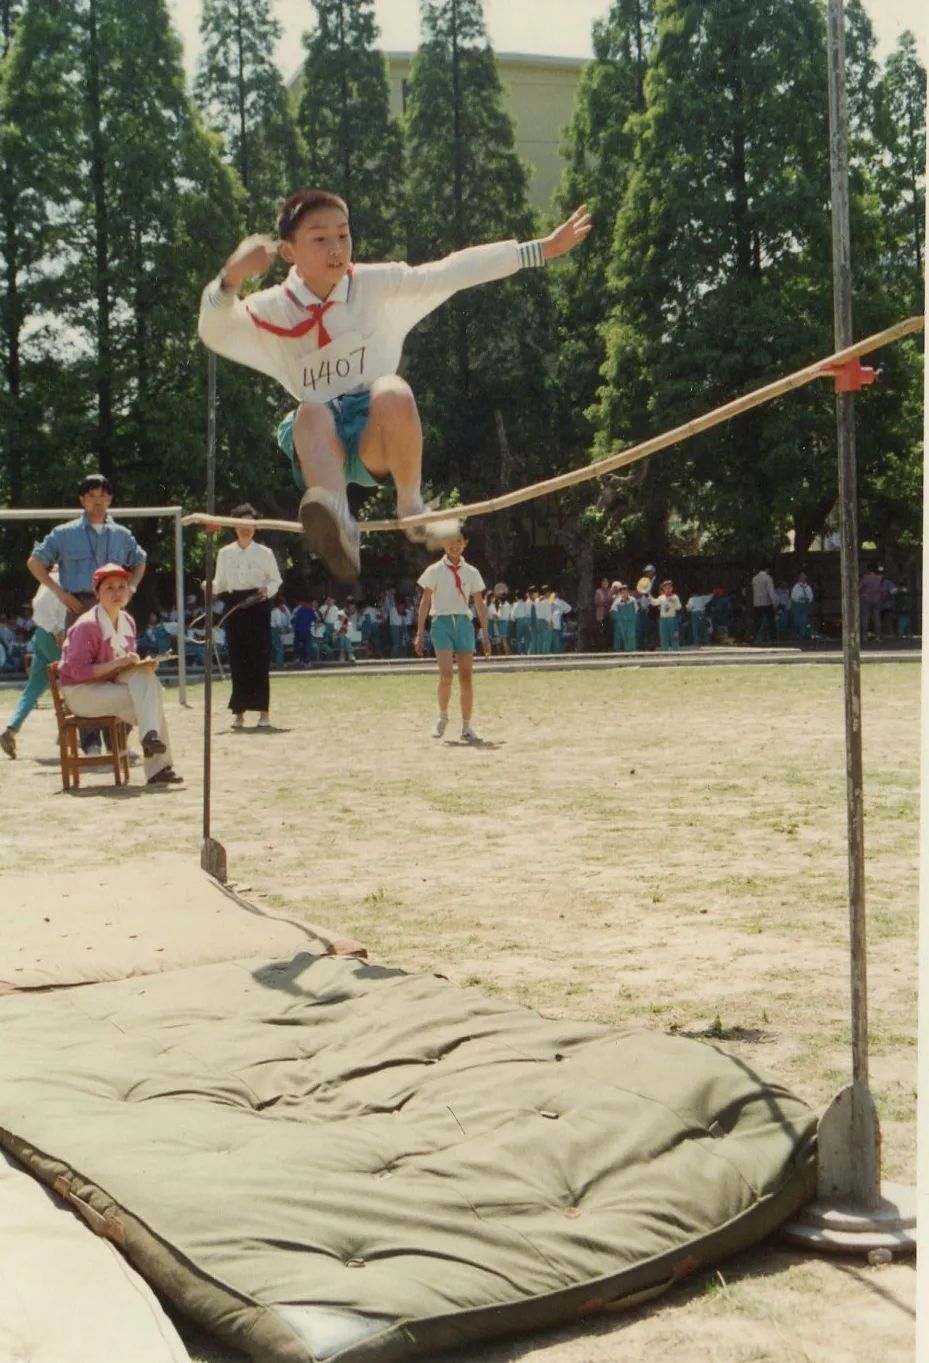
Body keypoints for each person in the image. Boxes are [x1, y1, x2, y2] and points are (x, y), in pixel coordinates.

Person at [198, 189, 591, 581]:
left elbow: (448, 271)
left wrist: (538, 250)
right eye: (319, 239)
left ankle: (412, 508)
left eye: (343, 234)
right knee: (312, 410)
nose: (336, 248)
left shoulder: (377, 285)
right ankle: (338, 526)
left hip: (377, 436)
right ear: (288, 252)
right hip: (320, 447)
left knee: (393, 390)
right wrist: (231, 275)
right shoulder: (272, 309)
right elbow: (215, 330)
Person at [27, 473, 147, 756]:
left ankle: (118, 742)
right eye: (92, 496)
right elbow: (35, 562)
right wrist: (59, 593)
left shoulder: (122, 534)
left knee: (121, 670)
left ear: (110, 499)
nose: (98, 501)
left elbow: (140, 560)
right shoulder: (64, 533)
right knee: (83, 675)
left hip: (115, 609)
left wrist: (130, 589)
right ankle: (90, 743)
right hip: (79, 608)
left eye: (103, 495)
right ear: (82, 500)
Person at [57, 563, 181, 786]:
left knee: (147, 680)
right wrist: (119, 663)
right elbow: (78, 672)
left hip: (109, 684)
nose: (117, 593)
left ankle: (150, 739)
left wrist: (140, 665)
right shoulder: (87, 625)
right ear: (97, 593)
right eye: (109, 588)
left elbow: (120, 668)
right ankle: (158, 767)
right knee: (150, 701)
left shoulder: (127, 621)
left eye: (122, 587)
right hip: (81, 693)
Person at [414, 530, 490, 743]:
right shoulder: (434, 570)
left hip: (464, 623)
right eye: (450, 542)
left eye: (459, 542)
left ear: (465, 543)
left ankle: (467, 726)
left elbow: (479, 603)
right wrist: (420, 633)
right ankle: (443, 716)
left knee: (466, 677)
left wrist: (485, 632)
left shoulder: (472, 572)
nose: (454, 546)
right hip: (442, 622)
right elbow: (425, 602)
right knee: (446, 675)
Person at [210, 504, 283, 729]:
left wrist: (266, 591)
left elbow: (276, 580)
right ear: (234, 526)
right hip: (235, 608)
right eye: (241, 524)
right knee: (238, 660)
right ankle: (239, 713)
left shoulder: (265, 553)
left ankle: (264, 713)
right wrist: (208, 586)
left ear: (255, 527)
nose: (246, 528)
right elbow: (220, 583)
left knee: (259, 659)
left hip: (258, 606)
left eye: (250, 524)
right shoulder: (224, 553)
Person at [0, 570, 67, 759]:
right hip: (56, 636)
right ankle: (66, 732)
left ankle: (11, 729)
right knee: (71, 681)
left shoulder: (49, 578)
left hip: (42, 634)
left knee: (34, 687)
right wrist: (57, 630)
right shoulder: (63, 577)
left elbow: (37, 605)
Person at [650, 579, 683, 651]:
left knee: (674, 636)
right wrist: (649, 597)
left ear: (672, 588)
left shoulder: (675, 597)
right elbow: (654, 603)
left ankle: (675, 650)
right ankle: (665, 651)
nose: (667, 589)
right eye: (666, 587)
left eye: (669, 587)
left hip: (672, 618)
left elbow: (679, 607)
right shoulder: (661, 597)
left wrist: (674, 601)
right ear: (663, 589)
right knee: (664, 636)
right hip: (663, 619)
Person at [751, 565, 778, 644]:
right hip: (766, 602)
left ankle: (757, 637)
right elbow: (771, 592)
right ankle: (772, 638)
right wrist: (775, 603)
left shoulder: (754, 578)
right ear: (767, 569)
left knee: (758, 621)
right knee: (770, 621)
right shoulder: (768, 578)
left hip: (757, 603)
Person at [610, 583, 638, 652]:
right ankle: (627, 649)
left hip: (631, 620)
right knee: (624, 635)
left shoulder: (632, 600)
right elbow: (612, 609)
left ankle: (632, 650)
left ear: (628, 592)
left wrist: (633, 617)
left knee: (631, 635)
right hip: (622, 621)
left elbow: (636, 609)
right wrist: (618, 617)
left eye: (626, 592)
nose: (624, 593)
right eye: (622, 592)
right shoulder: (617, 601)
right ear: (620, 593)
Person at [858, 562, 883, 641]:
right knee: (877, 617)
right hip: (877, 597)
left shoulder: (865, 578)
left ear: (868, 569)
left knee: (865, 617)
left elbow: (859, 587)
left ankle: (865, 636)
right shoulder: (879, 578)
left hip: (866, 597)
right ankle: (878, 636)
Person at [790, 571, 814, 640]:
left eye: (804, 576)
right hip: (798, 605)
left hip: (805, 605)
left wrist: (808, 600)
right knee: (797, 621)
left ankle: (804, 635)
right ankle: (798, 635)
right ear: (799, 577)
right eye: (802, 576)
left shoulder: (808, 587)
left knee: (805, 621)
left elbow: (811, 596)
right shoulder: (796, 587)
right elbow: (793, 597)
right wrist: (799, 598)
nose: (803, 577)